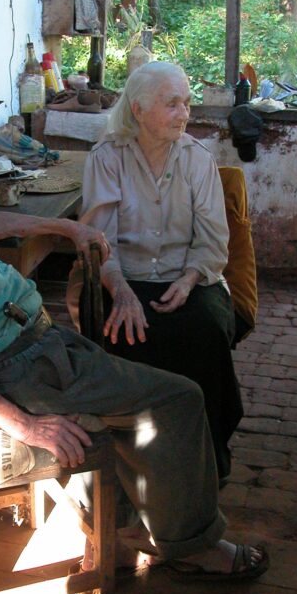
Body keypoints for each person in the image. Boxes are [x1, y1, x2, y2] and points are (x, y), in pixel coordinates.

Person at [0, 57, 267, 580]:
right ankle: (193, 543)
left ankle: (126, 515)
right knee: (180, 398)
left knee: (162, 352)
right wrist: (29, 426)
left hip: (30, 348)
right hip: (21, 367)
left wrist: (61, 226)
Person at [80, 61, 243, 486]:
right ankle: (133, 457)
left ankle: (208, 454)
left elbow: (212, 242)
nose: (184, 113)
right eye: (173, 104)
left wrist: (189, 280)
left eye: (187, 103)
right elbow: (100, 242)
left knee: (205, 330)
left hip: (188, 275)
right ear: (138, 109)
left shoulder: (197, 159)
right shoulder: (106, 158)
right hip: (124, 276)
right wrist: (122, 291)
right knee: (119, 332)